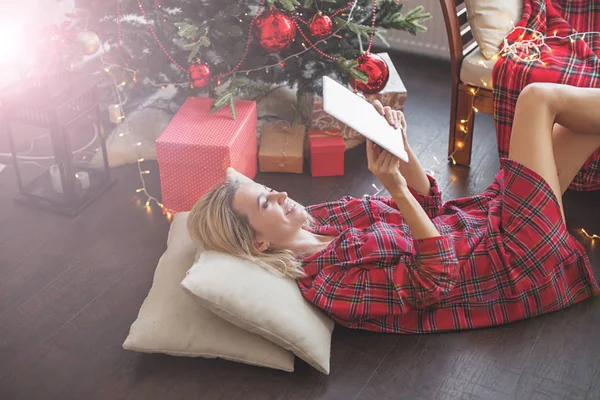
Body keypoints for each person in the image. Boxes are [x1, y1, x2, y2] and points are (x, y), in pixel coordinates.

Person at [188, 83, 600, 334]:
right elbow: (437, 277)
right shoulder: (328, 286)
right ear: (258, 244)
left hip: (488, 220)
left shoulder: (325, 217)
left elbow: (429, 208)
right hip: (512, 261)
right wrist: (396, 190)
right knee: (538, 99)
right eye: (266, 202)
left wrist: (399, 148)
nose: (279, 195)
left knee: (578, 127)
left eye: (270, 189)